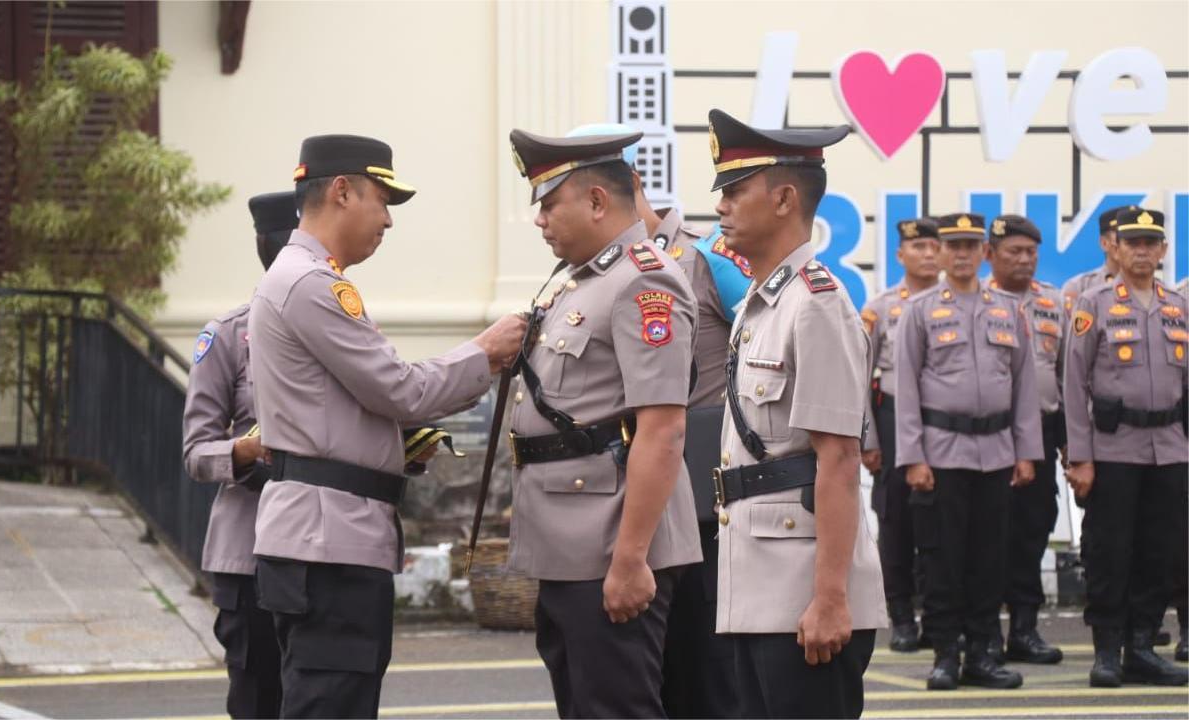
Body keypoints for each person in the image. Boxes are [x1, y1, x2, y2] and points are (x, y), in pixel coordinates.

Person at [248, 135, 526, 717]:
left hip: (325, 534)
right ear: (342, 191)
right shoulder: (313, 284)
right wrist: (485, 350)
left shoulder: (304, 277)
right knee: (330, 704)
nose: (389, 220)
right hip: (328, 544)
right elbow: (401, 388)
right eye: (383, 198)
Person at [506, 126, 702, 718]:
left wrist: (630, 558)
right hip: (568, 539)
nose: (540, 220)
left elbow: (662, 430)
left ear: (596, 200)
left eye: (549, 203)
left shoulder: (644, 280)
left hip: (609, 542)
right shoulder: (581, 281)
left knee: (615, 708)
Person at [706, 108, 887, 719]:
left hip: (805, 593)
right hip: (758, 586)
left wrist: (831, 598)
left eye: (734, 190)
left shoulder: (815, 305)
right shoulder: (762, 305)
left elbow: (837, 460)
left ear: (784, 198)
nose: (722, 206)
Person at [894, 212, 1042, 690]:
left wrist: (1026, 452)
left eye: (969, 246)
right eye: (951, 246)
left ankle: (983, 653)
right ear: (939, 253)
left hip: (997, 452)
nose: (959, 254)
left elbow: (1024, 387)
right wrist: (913, 457)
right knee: (942, 559)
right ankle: (945, 654)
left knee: (988, 558)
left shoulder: (1007, 309)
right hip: (941, 455)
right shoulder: (918, 311)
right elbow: (906, 388)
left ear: (984, 253)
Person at [1063, 207, 1188, 688]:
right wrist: (1080, 457)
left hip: (1169, 450)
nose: (1141, 250)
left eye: (1149, 243)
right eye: (1131, 242)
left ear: (1162, 251)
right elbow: (1074, 386)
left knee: (1159, 552)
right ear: (1116, 247)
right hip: (1113, 451)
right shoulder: (1092, 304)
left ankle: (1141, 647)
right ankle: (1107, 653)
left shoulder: (1178, 305)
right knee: (1110, 553)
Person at [182, 190, 295, 719]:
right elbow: (196, 452)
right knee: (257, 701)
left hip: (319, 551)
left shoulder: (346, 324)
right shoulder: (227, 335)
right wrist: (247, 449)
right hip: (249, 557)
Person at [983, 214, 1066, 666]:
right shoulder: (977, 302)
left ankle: (1026, 630)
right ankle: (986, 635)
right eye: (1013, 252)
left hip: (1044, 431)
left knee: (1034, 532)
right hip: (991, 434)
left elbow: (1069, 376)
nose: (1024, 260)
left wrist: (1072, 443)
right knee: (990, 536)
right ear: (990, 255)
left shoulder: (1056, 302)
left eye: (1030, 252)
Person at [861, 217, 941, 653]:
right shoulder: (882, 306)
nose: (929, 255)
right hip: (891, 422)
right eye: (920, 247)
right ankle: (902, 615)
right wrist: (868, 439)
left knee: (938, 523)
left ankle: (936, 614)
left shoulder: (961, 303)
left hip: (942, 424)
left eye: (935, 247)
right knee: (897, 522)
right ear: (900, 255)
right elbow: (859, 376)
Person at [1062, 206, 1128, 315]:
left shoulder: (1156, 290)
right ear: (1104, 243)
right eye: (1122, 235)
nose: (1132, 245)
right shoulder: (1079, 287)